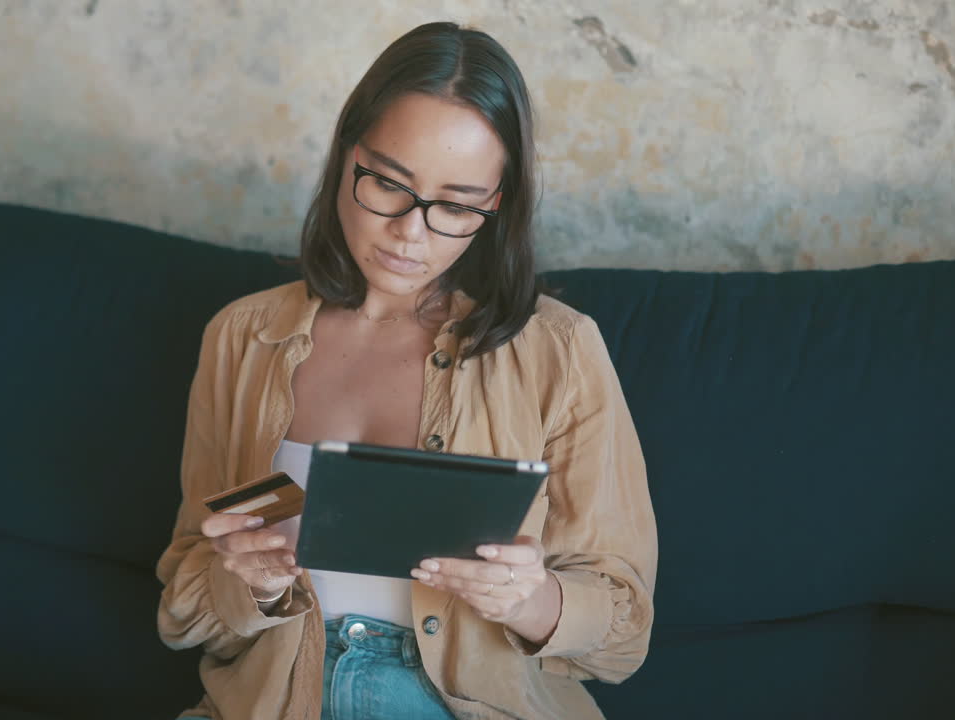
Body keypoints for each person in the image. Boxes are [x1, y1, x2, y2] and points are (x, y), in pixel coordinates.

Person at [156, 21, 657, 720]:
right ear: (346, 155)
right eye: (389, 184)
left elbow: (624, 636)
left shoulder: (560, 351)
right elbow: (183, 610)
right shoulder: (244, 338)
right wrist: (252, 586)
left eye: (455, 205)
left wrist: (532, 599)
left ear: (495, 207)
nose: (409, 232)